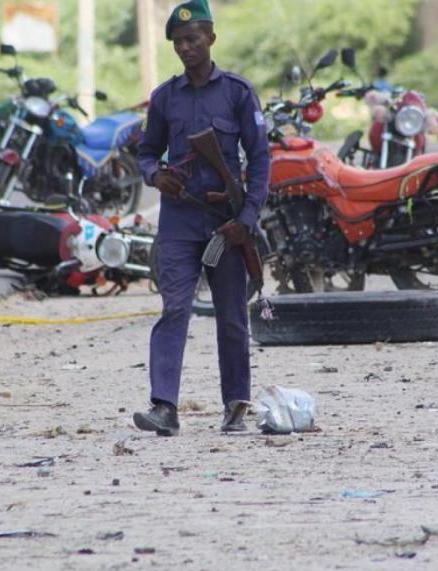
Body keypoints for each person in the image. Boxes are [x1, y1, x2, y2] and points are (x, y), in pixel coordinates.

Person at [132, 0, 270, 437]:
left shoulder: (237, 93)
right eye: (177, 41)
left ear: (211, 38)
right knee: (174, 310)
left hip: (225, 223)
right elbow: (146, 151)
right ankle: (164, 408)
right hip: (177, 222)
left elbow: (262, 159)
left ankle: (235, 405)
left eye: (193, 39)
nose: (186, 48)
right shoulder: (165, 97)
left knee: (231, 314)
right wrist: (157, 176)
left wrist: (247, 218)